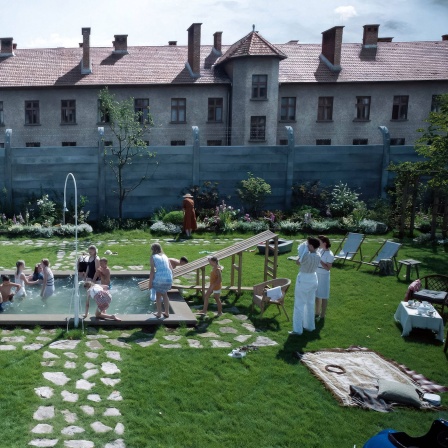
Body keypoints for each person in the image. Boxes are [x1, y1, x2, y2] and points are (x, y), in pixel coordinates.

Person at [290, 237, 321, 335]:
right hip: (313, 279)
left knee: (299, 305)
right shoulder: (319, 255)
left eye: (308, 245)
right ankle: (310, 326)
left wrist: (305, 249)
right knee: (310, 303)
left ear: (311, 246)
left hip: (304, 279)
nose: (306, 245)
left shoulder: (306, 256)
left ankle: (297, 330)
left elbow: (298, 261)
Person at [148, 243, 173, 319]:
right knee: (165, 294)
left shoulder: (153, 257)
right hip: (169, 277)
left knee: (158, 295)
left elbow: (152, 271)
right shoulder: (165, 256)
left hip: (160, 278)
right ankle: (167, 312)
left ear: (152, 249)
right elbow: (171, 268)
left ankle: (159, 313)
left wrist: (150, 283)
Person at [315, 235, 334, 320]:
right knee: (317, 294)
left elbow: (328, 268)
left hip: (324, 275)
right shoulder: (320, 250)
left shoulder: (330, 254)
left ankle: (322, 315)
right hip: (317, 273)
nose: (318, 243)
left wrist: (320, 260)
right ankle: (317, 312)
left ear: (324, 243)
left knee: (324, 295)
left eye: (319, 242)